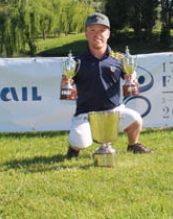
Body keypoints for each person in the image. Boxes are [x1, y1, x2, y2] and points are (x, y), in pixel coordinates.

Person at [65, 13, 153, 159]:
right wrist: (66, 83)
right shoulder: (77, 61)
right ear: (86, 33)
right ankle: (74, 148)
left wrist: (132, 76)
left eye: (101, 30)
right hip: (86, 115)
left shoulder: (119, 58)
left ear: (108, 34)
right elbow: (67, 82)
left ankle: (133, 144)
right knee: (79, 141)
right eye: (92, 30)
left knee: (136, 119)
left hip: (114, 111)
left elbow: (131, 73)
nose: (97, 34)